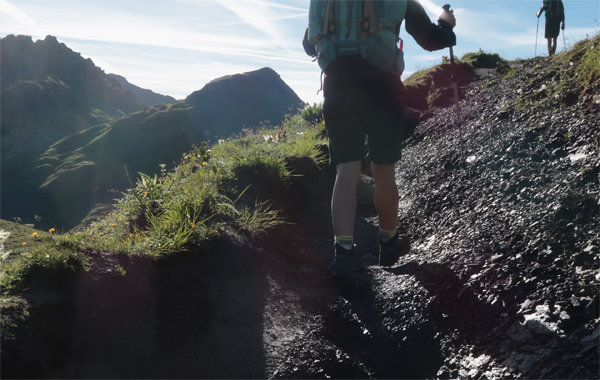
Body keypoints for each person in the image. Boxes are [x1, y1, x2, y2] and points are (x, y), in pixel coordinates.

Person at [304, 0, 456, 274]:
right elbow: (433, 40)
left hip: (337, 90)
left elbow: (309, 45)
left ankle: (344, 252)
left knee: (345, 172)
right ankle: (388, 243)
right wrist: (446, 22)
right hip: (383, 92)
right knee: (384, 172)